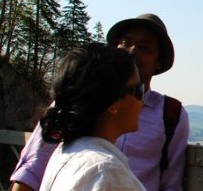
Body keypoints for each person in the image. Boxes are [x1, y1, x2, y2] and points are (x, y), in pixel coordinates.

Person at [11, 13, 189, 191]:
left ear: (159, 61)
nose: (132, 51)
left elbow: (171, 184)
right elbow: (33, 167)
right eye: (126, 42)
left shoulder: (171, 114)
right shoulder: (78, 97)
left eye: (144, 47)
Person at [39, 43, 145, 190]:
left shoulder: (67, 152)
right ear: (113, 103)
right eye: (139, 90)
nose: (142, 102)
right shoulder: (106, 171)